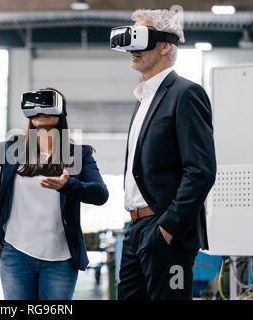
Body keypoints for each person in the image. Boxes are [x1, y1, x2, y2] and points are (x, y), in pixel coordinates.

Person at [0, 88, 109, 300]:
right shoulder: (13, 151)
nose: (40, 110)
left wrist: (69, 185)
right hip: (17, 255)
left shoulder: (79, 155)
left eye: (47, 105)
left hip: (61, 259)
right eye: (35, 106)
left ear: (61, 112)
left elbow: (100, 195)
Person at [115, 9, 217, 300]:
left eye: (140, 38)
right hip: (136, 230)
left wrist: (168, 229)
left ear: (165, 45)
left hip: (163, 231)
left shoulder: (185, 94)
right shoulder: (144, 98)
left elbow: (201, 170)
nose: (132, 49)